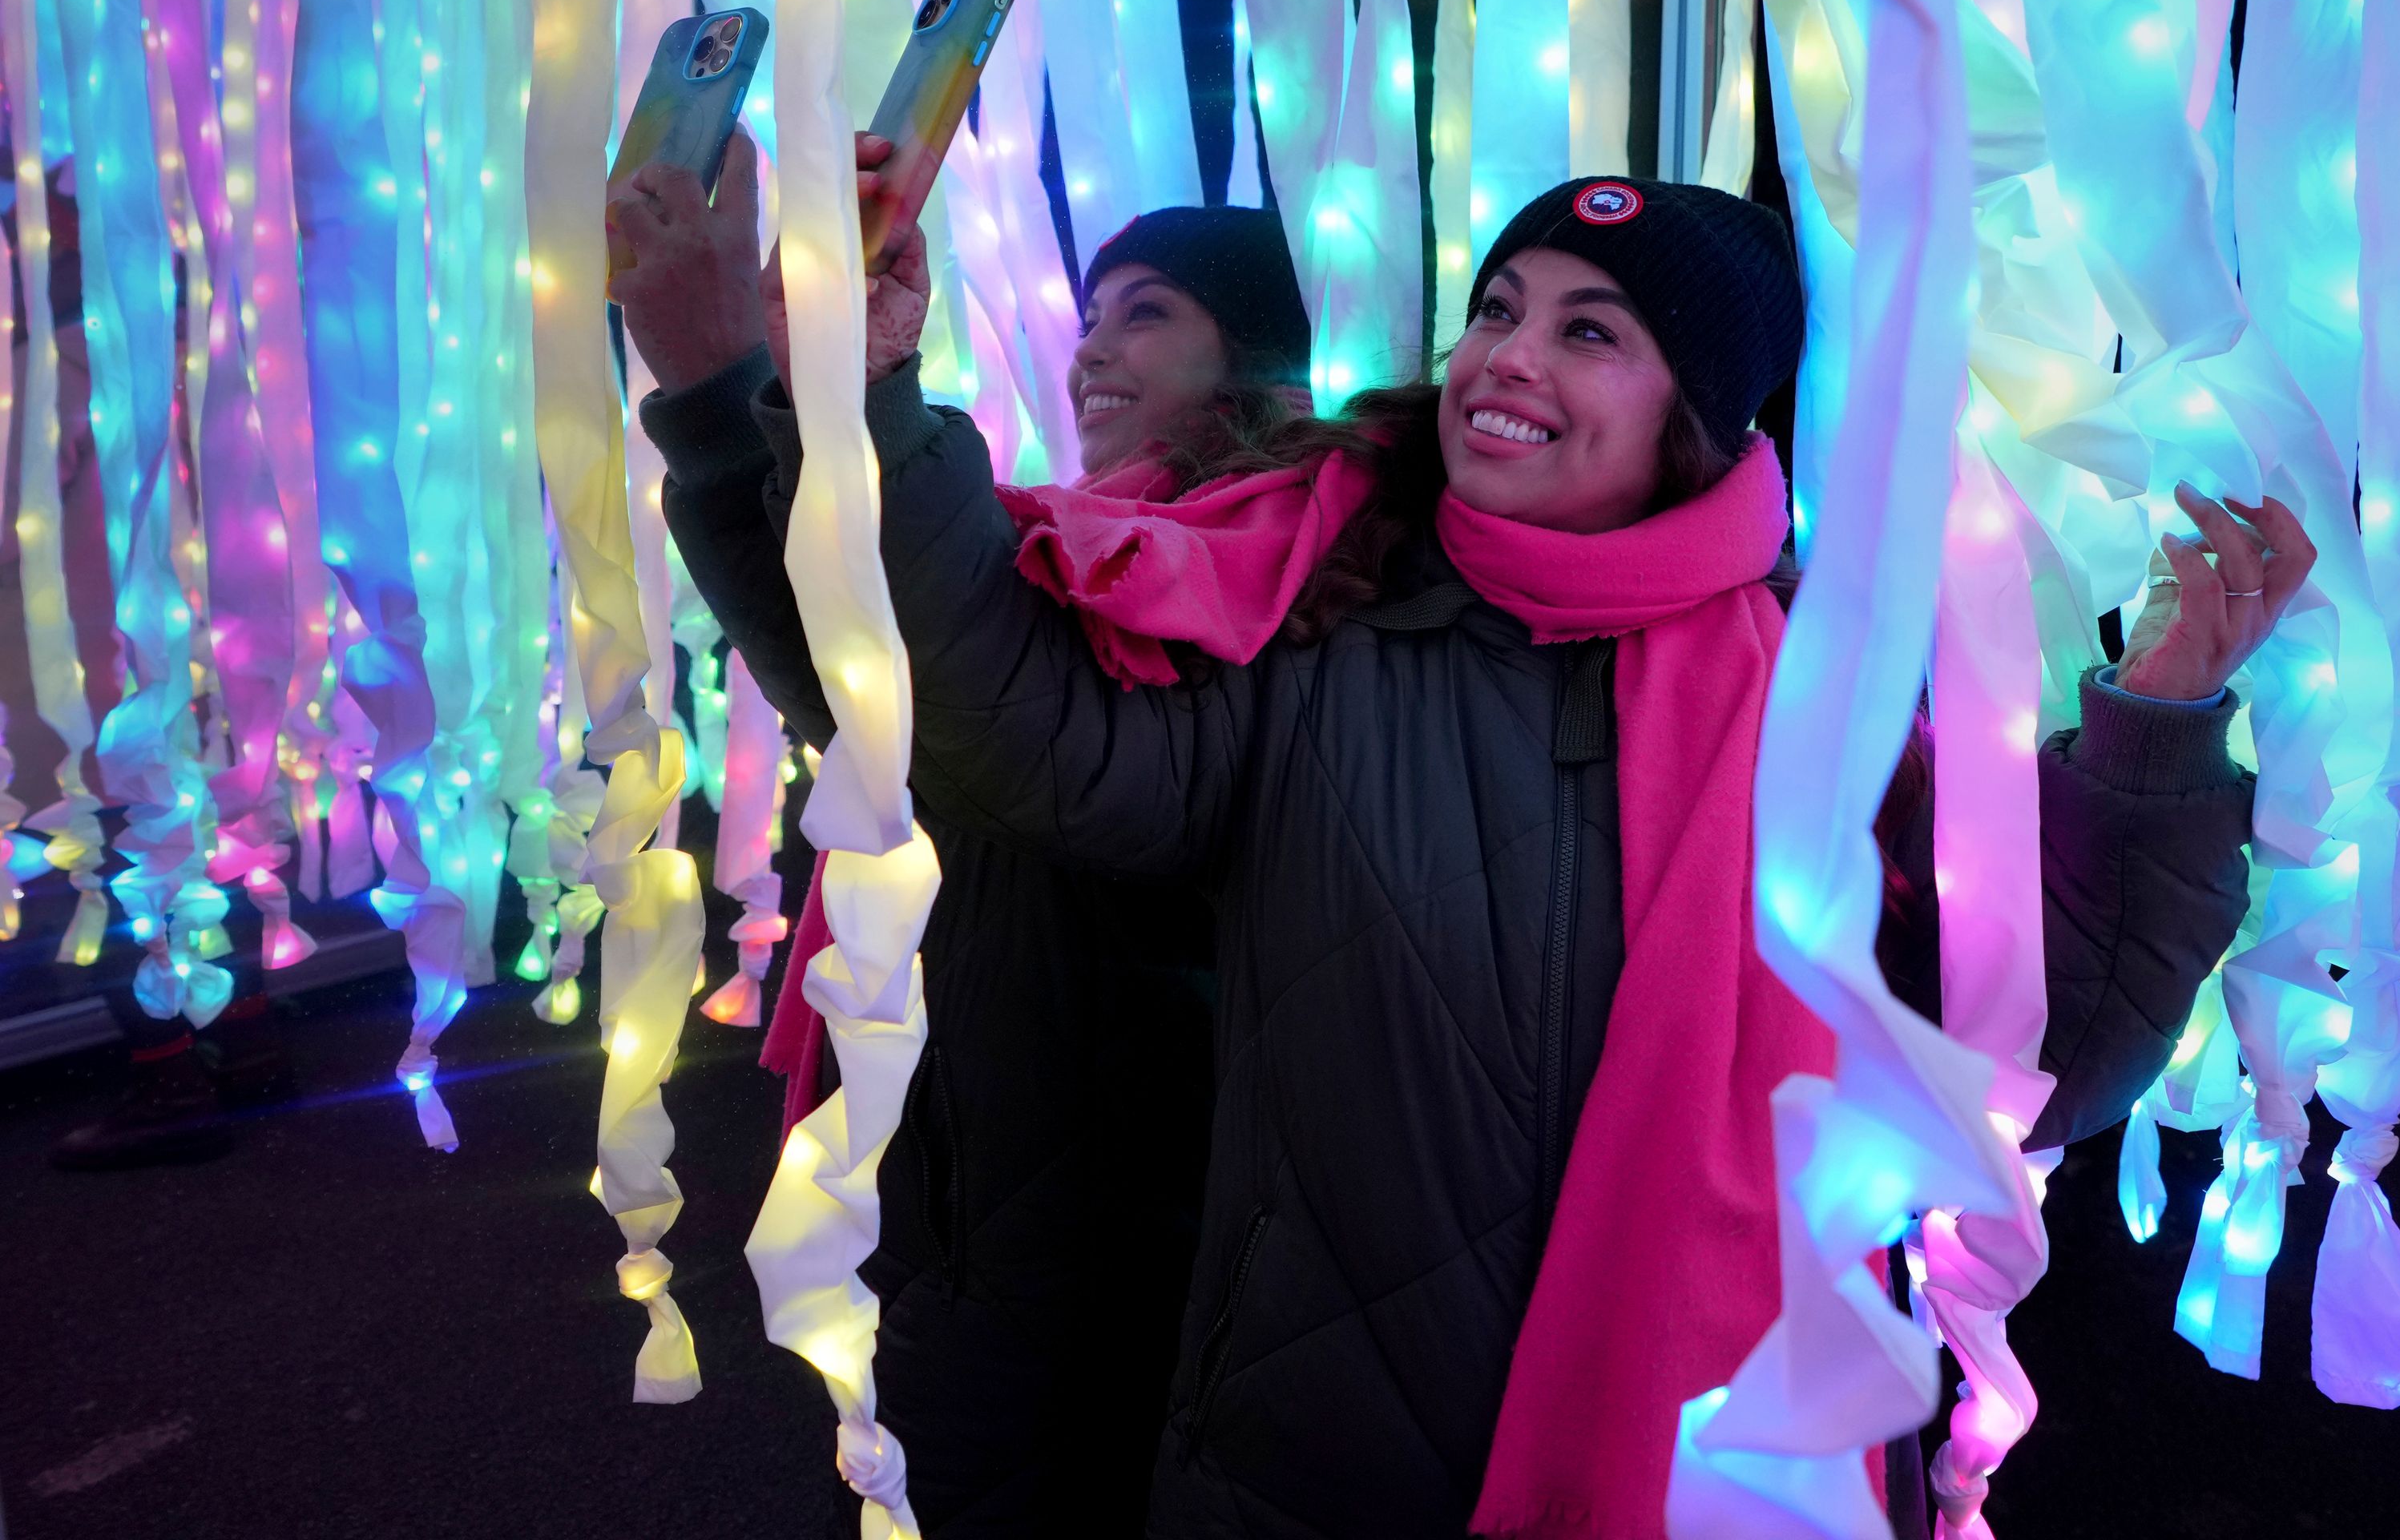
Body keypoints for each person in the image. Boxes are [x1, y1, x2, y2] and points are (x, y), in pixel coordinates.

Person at [621, 159, 2305, 1538]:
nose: (1512, 352)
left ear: (1697, 417)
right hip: (1304, 1478)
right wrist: (862, 397)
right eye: (1499, 307)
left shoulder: (1819, 714)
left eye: (1593, 332)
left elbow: (2036, 1053)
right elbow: (1012, 725)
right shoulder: (1327, 622)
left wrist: (2150, 731)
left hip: (1702, 1481)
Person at [611, 134, 1311, 1534]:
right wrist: (708, 396)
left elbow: (967, 710)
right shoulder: (1082, 539)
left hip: (1117, 1195)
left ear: (1255, 361)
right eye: (1095, 311)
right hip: (993, 1149)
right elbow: (860, 686)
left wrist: (814, 384)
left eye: (1150, 313)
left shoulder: (1258, 568)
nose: (1095, 347)